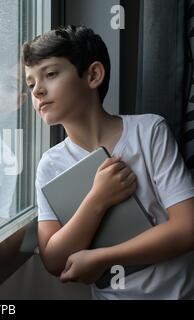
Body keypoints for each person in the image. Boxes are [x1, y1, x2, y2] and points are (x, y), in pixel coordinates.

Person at [23, 25, 194, 299]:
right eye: (31, 83)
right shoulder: (50, 164)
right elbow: (54, 260)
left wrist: (102, 258)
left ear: (93, 75)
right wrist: (98, 199)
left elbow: (187, 228)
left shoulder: (149, 131)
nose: (38, 91)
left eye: (51, 74)